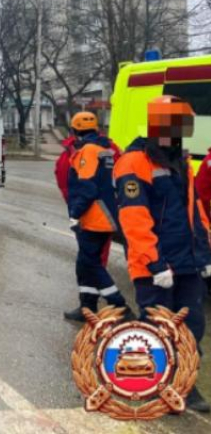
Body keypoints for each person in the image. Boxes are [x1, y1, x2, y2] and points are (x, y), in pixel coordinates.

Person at [114, 95, 211, 413]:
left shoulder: (179, 161)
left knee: (192, 326)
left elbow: (193, 209)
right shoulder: (133, 163)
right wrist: (155, 263)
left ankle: (181, 382)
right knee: (158, 328)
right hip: (155, 266)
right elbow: (134, 218)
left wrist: (205, 250)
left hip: (187, 263)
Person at [63, 111, 130, 322]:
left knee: (90, 263)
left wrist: (75, 213)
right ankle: (88, 307)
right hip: (106, 213)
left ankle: (120, 306)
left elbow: (87, 187)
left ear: (75, 131)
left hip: (94, 217)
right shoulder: (105, 149)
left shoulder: (88, 151)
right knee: (85, 263)